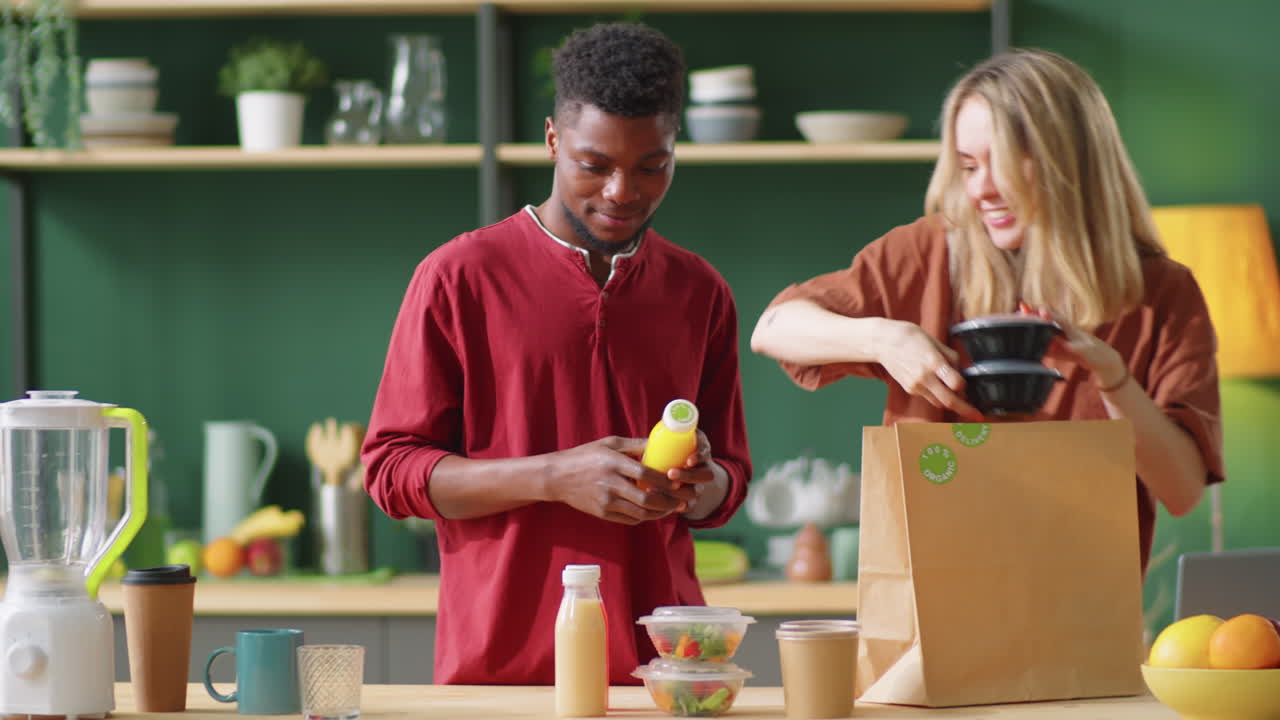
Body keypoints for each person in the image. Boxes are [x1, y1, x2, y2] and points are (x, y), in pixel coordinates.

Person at [361, 22, 751, 685]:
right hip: (503, 671)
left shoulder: (700, 291)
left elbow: (729, 483)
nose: (622, 192)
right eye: (594, 165)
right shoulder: (460, 276)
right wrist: (553, 477)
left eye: (651, 166)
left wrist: (698, 483)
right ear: (552, 140)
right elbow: (392, 472)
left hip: (665, 675)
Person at [750, 48, 1222, 573]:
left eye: (1004, 162)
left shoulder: (1162, 292)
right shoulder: (927, 253)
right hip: (929, 602)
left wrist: (1113, 378)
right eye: (970, 166)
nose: (982, 189)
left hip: (1080, 610)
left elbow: (1181, 490)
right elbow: (774, 327)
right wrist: (885, 339)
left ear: (1070, 160)